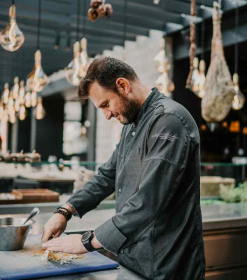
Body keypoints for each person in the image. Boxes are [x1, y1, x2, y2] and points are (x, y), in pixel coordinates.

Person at [41, 57, 205, 280]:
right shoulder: (132, 123)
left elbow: (148, 201)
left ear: (123, 86)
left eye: (106, 104)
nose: (107, 115)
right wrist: (65, 211)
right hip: (132, 259)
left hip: (168, 264)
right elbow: (108, 175)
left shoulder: (169, 120)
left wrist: (85, 241)